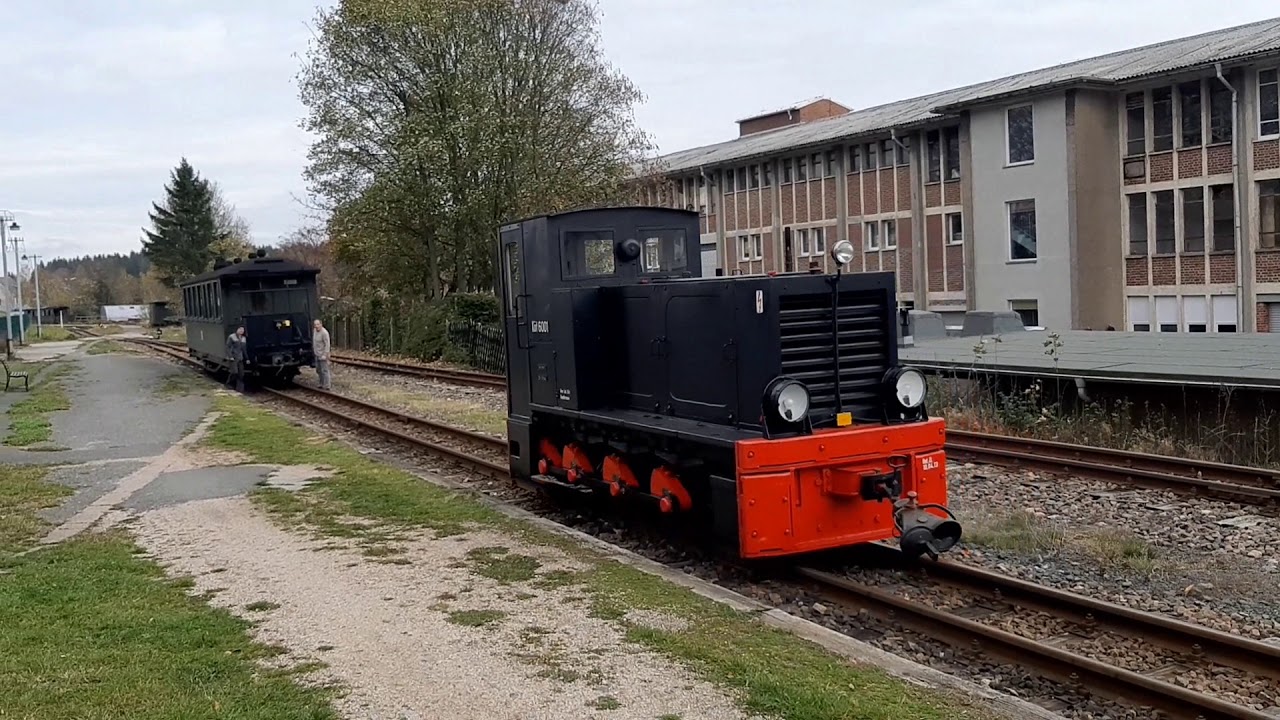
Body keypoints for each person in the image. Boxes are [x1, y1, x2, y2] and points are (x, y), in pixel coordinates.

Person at [312, 319, 332, 390]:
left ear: (321, 324)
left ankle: (327, 385)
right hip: (317, 354)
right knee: (318, 370)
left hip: (323, 354)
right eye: (315, 325)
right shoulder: (314, 331)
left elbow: (327, 344)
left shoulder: (324, 333)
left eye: (318, 324)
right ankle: (321, 383)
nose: (316, 326)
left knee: (325, 370)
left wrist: (326, 354)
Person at [226, 326, 246, 392]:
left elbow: (243, 349)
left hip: (240, 358)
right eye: (240, 329)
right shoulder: (232, 337)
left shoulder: (243, 338)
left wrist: (247, 358)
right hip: (233, 357)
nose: (241, 331)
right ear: (237, 330)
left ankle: (240, 388)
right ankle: (229, 384)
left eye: (242, 330)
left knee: (241, 373)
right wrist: (230, 356)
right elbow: (228, 347)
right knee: (234, 372)